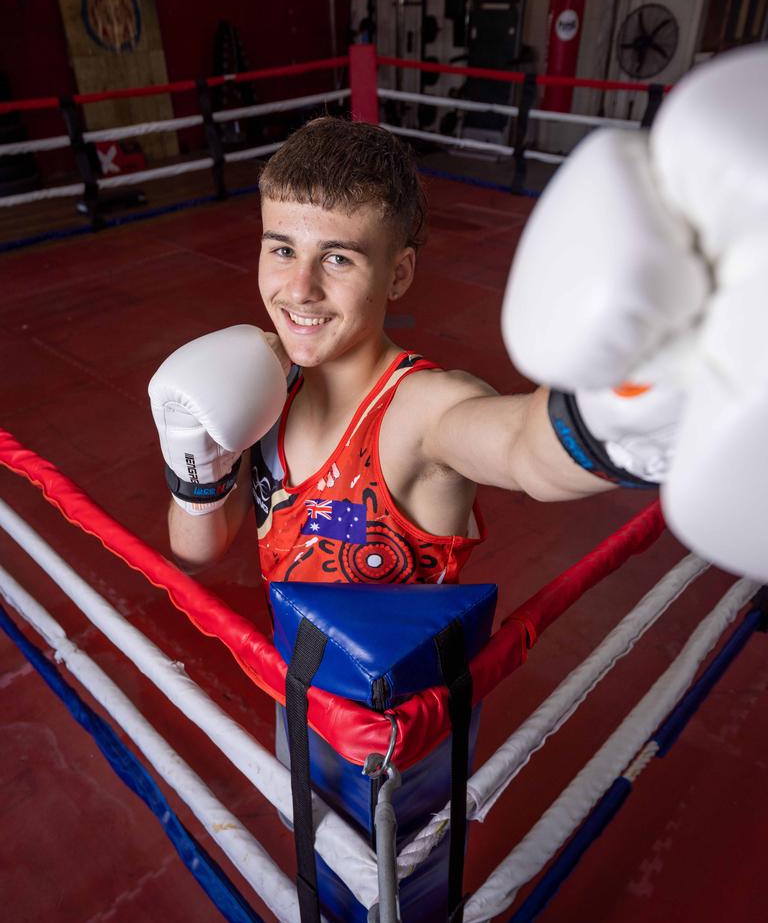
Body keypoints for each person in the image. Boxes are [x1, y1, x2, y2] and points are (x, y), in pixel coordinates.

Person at [149, 44, 768, 596]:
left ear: (399, 273)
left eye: (337, 258)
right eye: (282, 249)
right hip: (295, 687)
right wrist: (192, 460)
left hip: (406, 719)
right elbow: (197, 549)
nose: (299, 289)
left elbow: (524, 449)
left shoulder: (422, 411)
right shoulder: (260, 379)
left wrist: (633, 397)